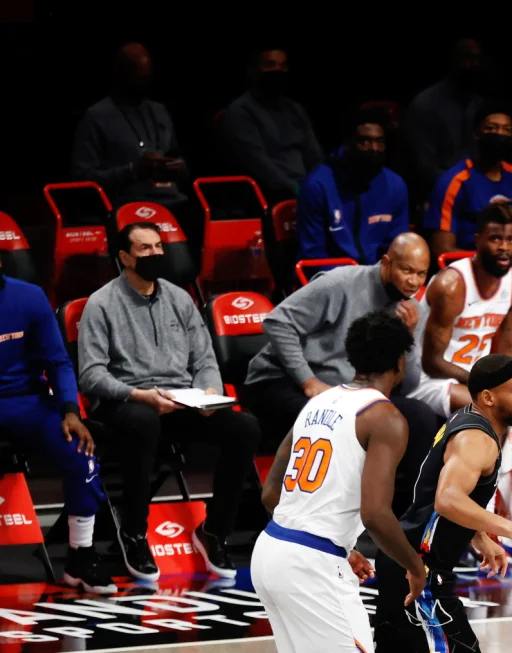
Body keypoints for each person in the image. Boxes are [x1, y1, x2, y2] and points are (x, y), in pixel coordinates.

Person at [77, 222, 261, 581]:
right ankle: (133, 532)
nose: (156, 254)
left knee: (244, 427)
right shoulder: (102, 304)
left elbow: (205, 359)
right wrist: (138, 396)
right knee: (143, 423)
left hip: (182, 400)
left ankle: (215, 529)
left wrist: (208, 392)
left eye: (159, 246)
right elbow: (91, 375)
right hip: (129, 400)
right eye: (145, 249)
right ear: (124, 258)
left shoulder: (179, 298)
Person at [252, 311, 429, 653]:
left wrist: (341, 548)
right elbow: (375, 514)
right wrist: (415, 566)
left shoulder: (317, 401)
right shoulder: (385, 417)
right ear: (400, 361)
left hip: (270, 552)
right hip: (311, 568)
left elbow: (270, 493)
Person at [375, 353, 512, 650]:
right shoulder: (475, 438)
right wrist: (511, 529)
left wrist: (478, 536)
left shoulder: (468, 416)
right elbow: (447, 498)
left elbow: (448, 493)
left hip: (401, 557)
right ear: (488, 397)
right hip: (420, 569)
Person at [242, 233, 440, 465]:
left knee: (420, 416)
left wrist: (406, 338)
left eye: (421, 274)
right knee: (339, 421)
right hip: (282, 380)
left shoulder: (413, 312)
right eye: (407, 271)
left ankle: (411, 500)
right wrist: (309, 381)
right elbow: (278, 322)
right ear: (386, 263)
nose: (414, 282)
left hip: (346, 395)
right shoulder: (341, 282)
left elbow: (408, 386)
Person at [0, 261, 111, 593]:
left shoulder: (29, 297)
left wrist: (70, 411)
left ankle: (81, 556)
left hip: (27, 400)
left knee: (80, 449)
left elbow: (58, 360)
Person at [418, 204, 512, 418]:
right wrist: (484, 383)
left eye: (510, 240)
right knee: (499, 409)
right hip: (433, 381)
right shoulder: (451, 286)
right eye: (495, 239)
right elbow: (431, 363)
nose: (504, 247)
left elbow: (511, 351)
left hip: (480, 382)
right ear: (478, 241)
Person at [70, 43, 191, 209]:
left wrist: (178, 167)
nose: (145, 84)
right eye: (139, 79)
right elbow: (82, 179)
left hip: (172, 202)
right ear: (120, 75)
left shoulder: (159, 111)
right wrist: (133, 171)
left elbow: (176, 158)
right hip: (127, 206)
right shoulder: (97, 116)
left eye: (148, 78)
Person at [296, 108, 410, 266]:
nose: (374, 148)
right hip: (330, 281)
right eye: (364, 141)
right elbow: (314, 257)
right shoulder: (317, 186)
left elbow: (397, 248)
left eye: (380, 142)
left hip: (378, 280)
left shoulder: (395, 186)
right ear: (347, 144)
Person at [217, 47, 323, 203]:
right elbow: (258, 164)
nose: (277, 70)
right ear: (254, 71)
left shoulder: (295, 109)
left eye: (283, 65)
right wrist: (296, 189)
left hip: (305, 188)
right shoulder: (241, 111)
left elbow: (314, 154)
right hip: (267, 193)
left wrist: (322, 184)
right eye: (270, 64)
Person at [425, 107, 512, 261]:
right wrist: (496, 262)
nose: (499, 134)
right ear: (476, 134)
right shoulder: (454, 182)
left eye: (506, 129)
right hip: (473, 266)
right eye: (491, 128)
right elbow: (443, 250)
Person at [405, 38, 489, 196]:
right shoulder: (425, 105)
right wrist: (464, 188)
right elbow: (424, 169)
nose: (474, 65)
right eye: (468, 58)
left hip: (477, 193)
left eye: (478, 59)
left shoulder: (479, 105)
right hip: (437, 194)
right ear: (453, 60)